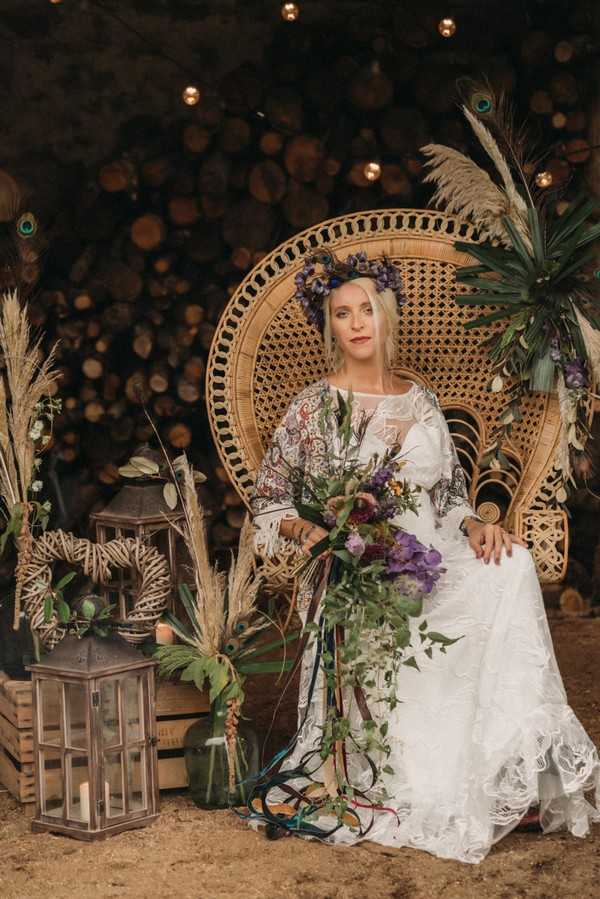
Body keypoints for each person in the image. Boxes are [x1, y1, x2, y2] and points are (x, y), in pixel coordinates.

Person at [249, 249, 600, 864]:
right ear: (329, 326)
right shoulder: (311, 408)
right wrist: (312, 538)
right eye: (341, 313)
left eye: (366, 309)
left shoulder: (421, 398)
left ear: (386, 316)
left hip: (429, 559)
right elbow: (269, 502)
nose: (357, 323)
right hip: (357, 568)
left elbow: (448, 496)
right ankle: (436, 772)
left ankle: (517, 765)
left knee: (511, 564)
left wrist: (476, 526)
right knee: (392, 613)